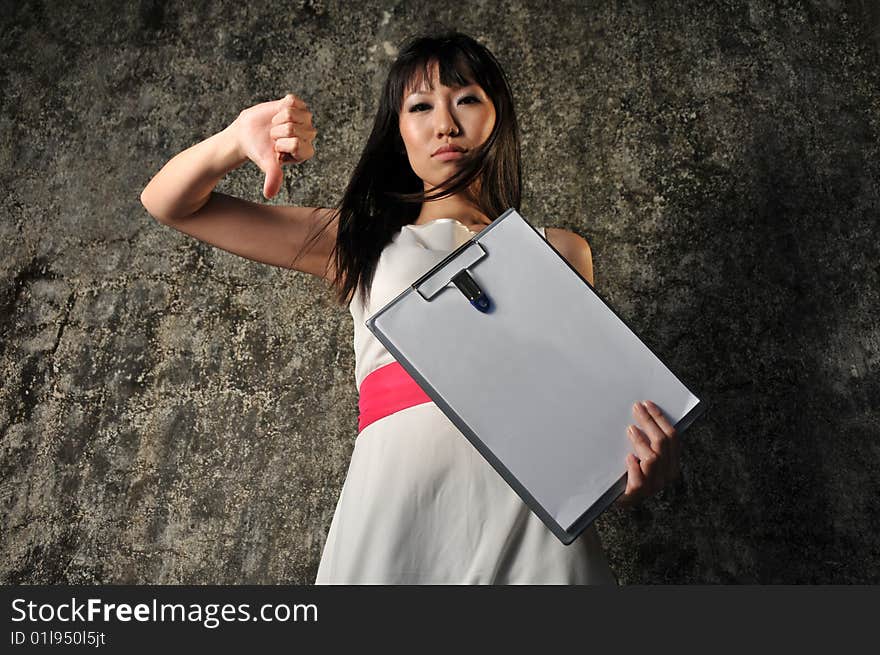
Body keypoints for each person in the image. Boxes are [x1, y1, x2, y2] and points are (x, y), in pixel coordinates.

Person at [140, 31, 681, 584]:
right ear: (398, 132)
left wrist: (635, 470)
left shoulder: (560, 250)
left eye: (466, 99)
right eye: (420, 106)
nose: (444, 123)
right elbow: (170, 203)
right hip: (398, 506)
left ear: (499, 117)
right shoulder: (357, 240)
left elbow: (585, 419)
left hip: (530, 526)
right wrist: (235, 140)